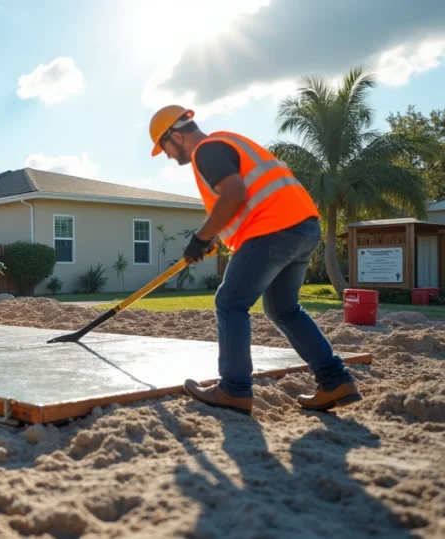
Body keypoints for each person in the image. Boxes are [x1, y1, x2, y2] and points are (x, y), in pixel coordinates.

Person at [149, 104, 361, 415]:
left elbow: (233, 194)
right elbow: (245, 199)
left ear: (176, 136)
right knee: (283, 309)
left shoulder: (206, 151)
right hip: (303, 227)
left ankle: (234, 390)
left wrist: (200, 238)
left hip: (273, 229)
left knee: (230, 302)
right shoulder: (230, 142)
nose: (166, 155)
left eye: (164, 147)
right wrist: (216, 236)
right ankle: (335, 380)